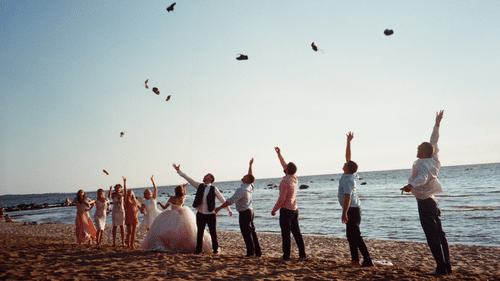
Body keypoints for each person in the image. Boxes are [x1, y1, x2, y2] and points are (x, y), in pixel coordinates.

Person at [400, 110, 451, 276]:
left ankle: (441, 268)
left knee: (432, 236)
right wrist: (437, 124)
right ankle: (446, 266)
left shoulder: (424, 164)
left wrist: (410, 186)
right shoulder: (433, 159)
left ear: (423, 152)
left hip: (426, 204)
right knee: (440, 235)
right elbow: (434, 141)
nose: (416, 150)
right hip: (433, 202)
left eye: (418, 148)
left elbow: (422, 177)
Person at [173, 163, 232, 254]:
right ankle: (198, 250)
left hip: (211, 214)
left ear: (211, 179)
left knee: (213, 233)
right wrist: (179, 171)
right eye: (205, 175)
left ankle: (215, 250)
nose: (205, 176)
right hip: (200, 214)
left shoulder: (214, 188)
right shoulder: (199, 185)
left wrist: (229, 210)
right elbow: (188, 178)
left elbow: (222, 199)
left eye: (207, 175)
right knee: (199, 233)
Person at [141, 183, 213, 254]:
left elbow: (164, 208)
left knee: (169, 231)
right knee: (186, 232)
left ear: (175, 191)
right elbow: (184, 194)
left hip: (172, 215)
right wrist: (184, 188)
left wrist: (159, 203)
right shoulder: (183, 198)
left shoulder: (172, 198)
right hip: (182, 214)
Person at [338, 132, 373, 267]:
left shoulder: (348, 179)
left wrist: (344, 213)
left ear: (348, 168)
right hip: (352, 209)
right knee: (350, 236)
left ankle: (367, 259)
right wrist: (348, 141)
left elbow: (348, 197)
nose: (344, 164)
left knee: (356, 236)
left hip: (352, 210)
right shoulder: (349, 173)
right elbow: (348, 156)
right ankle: (355, 260)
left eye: (345, 164)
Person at [215, 158, 262, 257]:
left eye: (245, 176)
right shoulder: (249, 186)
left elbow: (230, 201)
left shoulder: (242, 189)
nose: (243, 176)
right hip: (250, 211)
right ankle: (257, 251)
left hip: (245, 213)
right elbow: (250, 175)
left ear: (247, 180)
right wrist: (250, 165)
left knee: (246, 233)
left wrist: (219, 208)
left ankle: (251, 252)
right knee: (252, 232)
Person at [271, 147, 306, 260]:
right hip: (295, 209)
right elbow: (284, 164)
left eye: (285, 168)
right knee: (297, 233)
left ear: (287, 171)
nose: (283, 168)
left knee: (286, 234)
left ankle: (286, 256)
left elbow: (281, 199)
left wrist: (274, 210)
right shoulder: (295, 178)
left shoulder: (285, 182)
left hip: (286, 210)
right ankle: (302, 254)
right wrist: (279, 154)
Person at [123, 177, 140, 249]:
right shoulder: (127, 200)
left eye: (131, 193)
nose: (130, 194)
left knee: (134, 232)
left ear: (133, 194)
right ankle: (128, 245)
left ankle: (132, 245)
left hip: (135, 217)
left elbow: (139, 208)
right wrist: (124, 182)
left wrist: (144, 211)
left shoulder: (135, 201)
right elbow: (125, 191)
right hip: (129, 217)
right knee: (129, 232)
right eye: (129, 193)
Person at [109, 178, 126, 247]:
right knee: (115, 227)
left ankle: (123, 242)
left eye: (118, 188)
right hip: (115, 212)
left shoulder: (122, 195)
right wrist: (110, 190)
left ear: (120, 189)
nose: (117, 189)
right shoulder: (113, 195)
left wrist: (124, 182)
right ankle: (114, 242)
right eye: (116, 188)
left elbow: (126, 192)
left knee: (122, 227)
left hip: (121, 211)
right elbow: (109, 196)